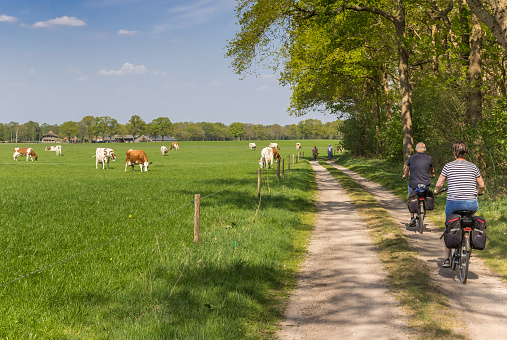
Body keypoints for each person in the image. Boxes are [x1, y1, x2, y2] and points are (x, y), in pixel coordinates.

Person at [435, 141, 485, 268]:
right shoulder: (473, 167)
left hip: (453, 204)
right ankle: (468, 244)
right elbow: (482, 185)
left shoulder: (448, 166)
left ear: (454, 153)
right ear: (466, 153)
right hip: (471, 204)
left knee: (449, 225)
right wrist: (480, 193)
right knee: (470, 221)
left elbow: (439, 184)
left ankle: (446, 259)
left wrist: (437, 191)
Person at [402, 142, 435, 226]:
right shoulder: (429, 158)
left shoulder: (411, 158)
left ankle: (412, 218)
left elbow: (407, 169)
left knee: (411, 197)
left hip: (414, 184)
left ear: (416, 149)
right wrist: (432, 175)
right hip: (425, 184)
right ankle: (424, 209)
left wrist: (405, 176)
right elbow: (432, 170)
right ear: (425, 149)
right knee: (427, 191)